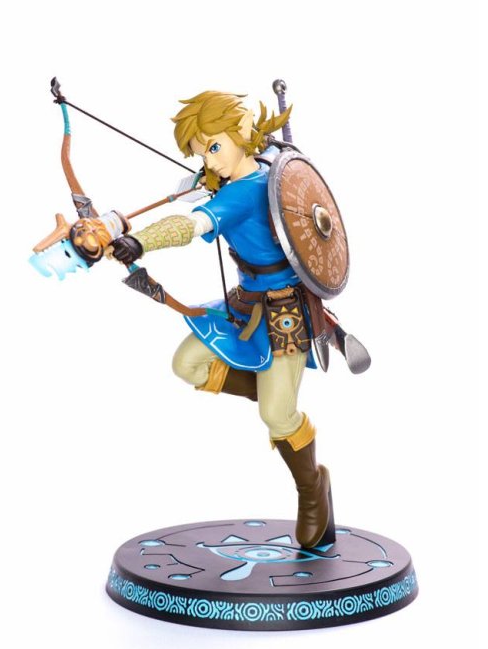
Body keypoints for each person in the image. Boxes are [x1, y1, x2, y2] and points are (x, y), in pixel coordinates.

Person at [105, 91, 335, 549]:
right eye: (201, 152)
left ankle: (312, 488)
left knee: (276, 415)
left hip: (287, 313)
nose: (209, 160)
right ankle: (276, 394)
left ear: (243, 133)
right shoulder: (260, 167)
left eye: (214, 146)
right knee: (188, 364)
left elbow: (194, 225)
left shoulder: (243, 193)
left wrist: (140, 242)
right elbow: (213, 187)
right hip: (245, 303)